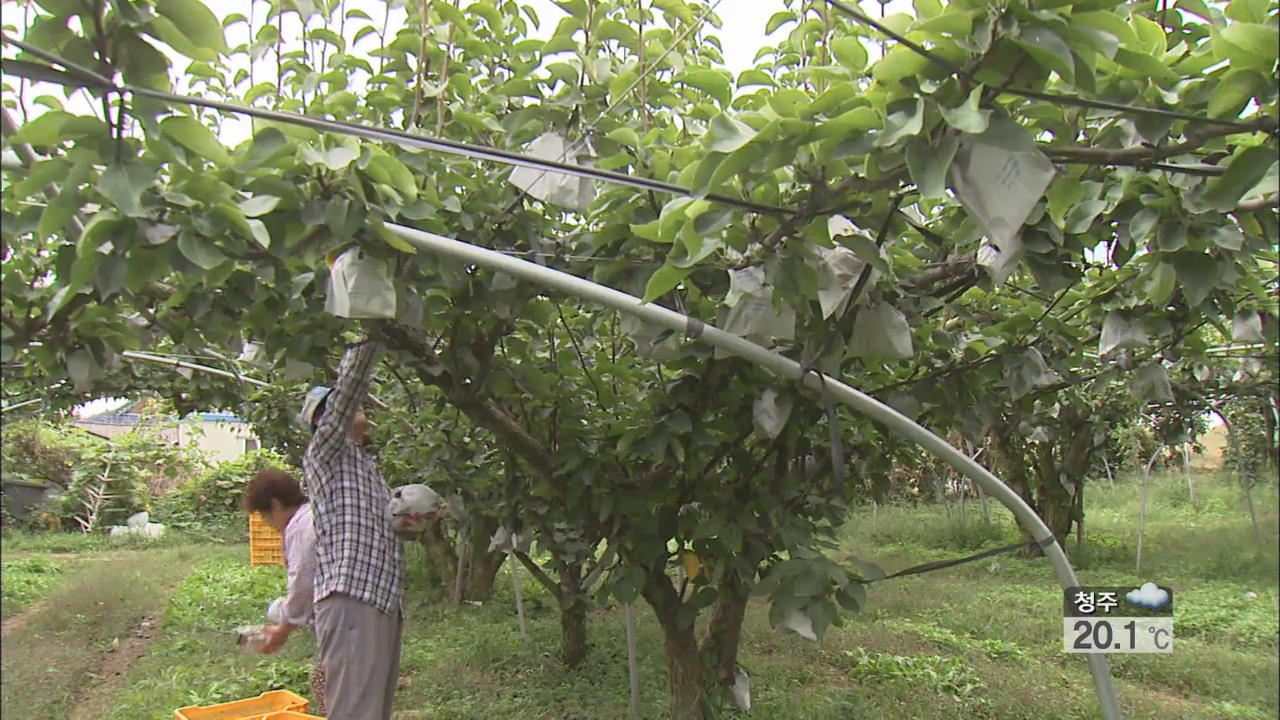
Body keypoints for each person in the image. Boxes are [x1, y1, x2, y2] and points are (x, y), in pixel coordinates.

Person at [296, 335, 405, 720]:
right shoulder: (325, 455)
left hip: (381, 599)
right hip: (351, 596)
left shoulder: (365, 469)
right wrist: (372, 334)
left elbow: (376, 530)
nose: (353, 407)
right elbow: (348, 390)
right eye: (337, 406)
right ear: (321, 420)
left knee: (373, 711)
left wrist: (411, 523)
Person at [241, 468, 326, 714]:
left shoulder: (301, 526)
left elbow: (303, 581)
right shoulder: (314, 515)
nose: (270, 525)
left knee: (329, 685)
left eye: (266, 518)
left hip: (348, 619)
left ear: (276, 505)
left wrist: (283, 628)